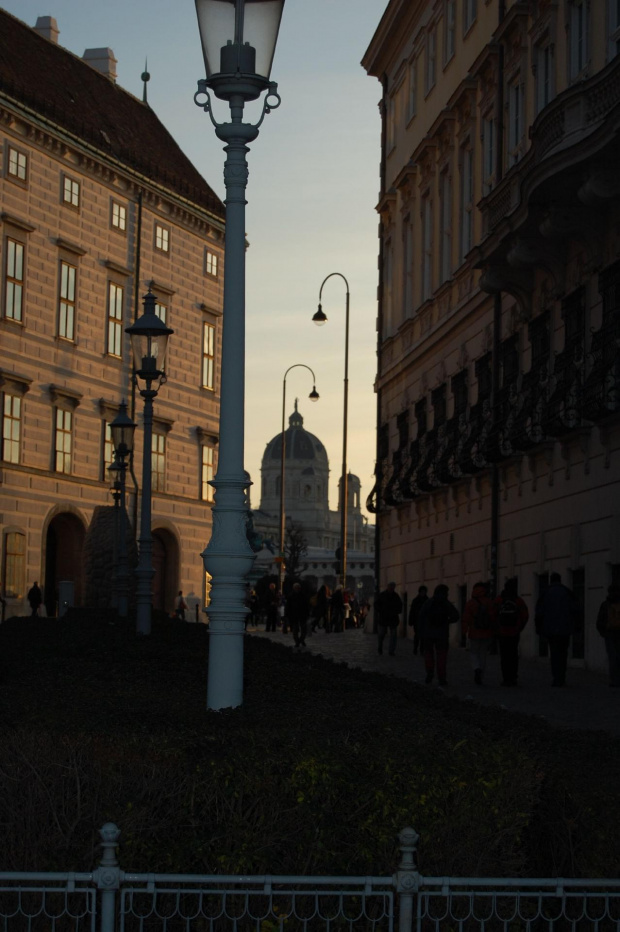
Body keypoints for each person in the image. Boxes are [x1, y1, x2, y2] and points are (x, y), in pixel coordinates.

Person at [535, 572, 580, 687]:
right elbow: (575, 610)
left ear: (551, 580)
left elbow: (539, 612)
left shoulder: (546, 593)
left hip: (550, 628)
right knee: (563, 653)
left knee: (554, 654)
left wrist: (539, 628)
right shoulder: (567, 592)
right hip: (565, 628)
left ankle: (556, 678)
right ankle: (562, 677)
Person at [418, 584, 459, 685]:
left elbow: (421, 616)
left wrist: (422, 631)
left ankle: (429, 673)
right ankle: (441, 677)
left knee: (428, 654)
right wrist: (447, 621)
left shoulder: (428, 602)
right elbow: (456, 616)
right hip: (442, 634)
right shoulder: (446, 603)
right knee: (441, 656)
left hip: (428, 633)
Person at [494, 577, 529, 686]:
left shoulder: (499, 600)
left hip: (502, 632)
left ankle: (506, 678)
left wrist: (497, 628)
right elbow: (525, 615)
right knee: (513, 655)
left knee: (504, 656)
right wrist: (519, 627)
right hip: (514, 632)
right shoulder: (518, 600)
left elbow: (493, 614)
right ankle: (513, 677)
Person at [462, 581, 496, 685]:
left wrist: (464, 631)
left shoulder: (471, 603)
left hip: (474, 632)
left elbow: (465, 618)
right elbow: (493, 618)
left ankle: (476, 668)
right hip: (486, 632)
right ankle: (481, 675)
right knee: (483, 654)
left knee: (473, 652)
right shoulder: (489, 602)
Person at [596, 583, 620, 687]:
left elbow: (599, 621)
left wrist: (603, 632)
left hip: (609, 634)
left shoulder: (605, 604)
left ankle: (614, 680)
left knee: (612, 657)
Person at [375, 582, 403, 656]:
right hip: (383, 618)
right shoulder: (382, 595)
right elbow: (376, 604)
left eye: (392, 587)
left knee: (393, 635)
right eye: (390, 587)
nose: (391, 588)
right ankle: (380, 647)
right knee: (381, 634)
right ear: (387, 587)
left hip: (393, 618)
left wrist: (396, 611)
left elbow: (400, 606)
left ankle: (391, 651)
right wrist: (381, 611)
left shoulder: (396, 596)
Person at [286, 582, 310, 649]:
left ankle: (301, 640)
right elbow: (288, 606)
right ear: (293, 588)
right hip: (294, 615)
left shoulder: (303, 595)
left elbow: (306, 606)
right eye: (296, 588)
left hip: (302, 615)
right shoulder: (291, 596)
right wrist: (288, 615)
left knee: (303, 630)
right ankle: (297, 641)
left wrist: (307, 614)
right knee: (295, 630)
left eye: (298, 588)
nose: (297, 589)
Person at [408, 585, 428, 655]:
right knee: (417, 636)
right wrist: (411, 621)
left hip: (425, 621)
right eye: (422, 592)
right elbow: (412, 611)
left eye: (424, 592)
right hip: (417, 621)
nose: (423, 593)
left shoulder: (427, 600)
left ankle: (421, 649)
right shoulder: (416, 600)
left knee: (423, 637)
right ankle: (415, 649)